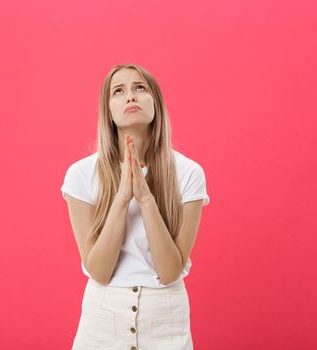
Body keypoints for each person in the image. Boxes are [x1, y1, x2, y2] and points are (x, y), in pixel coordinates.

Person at [61, 63, 210, 350]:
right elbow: (99, 271)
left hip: (166, 319)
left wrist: (145, 199)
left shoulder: (190, 173)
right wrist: (122, 198)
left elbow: (169, 272)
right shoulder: (80, 174)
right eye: (119, 91)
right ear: (109, 112)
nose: (130, 96)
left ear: (155, 102)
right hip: (102, 321)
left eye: (140, 88)